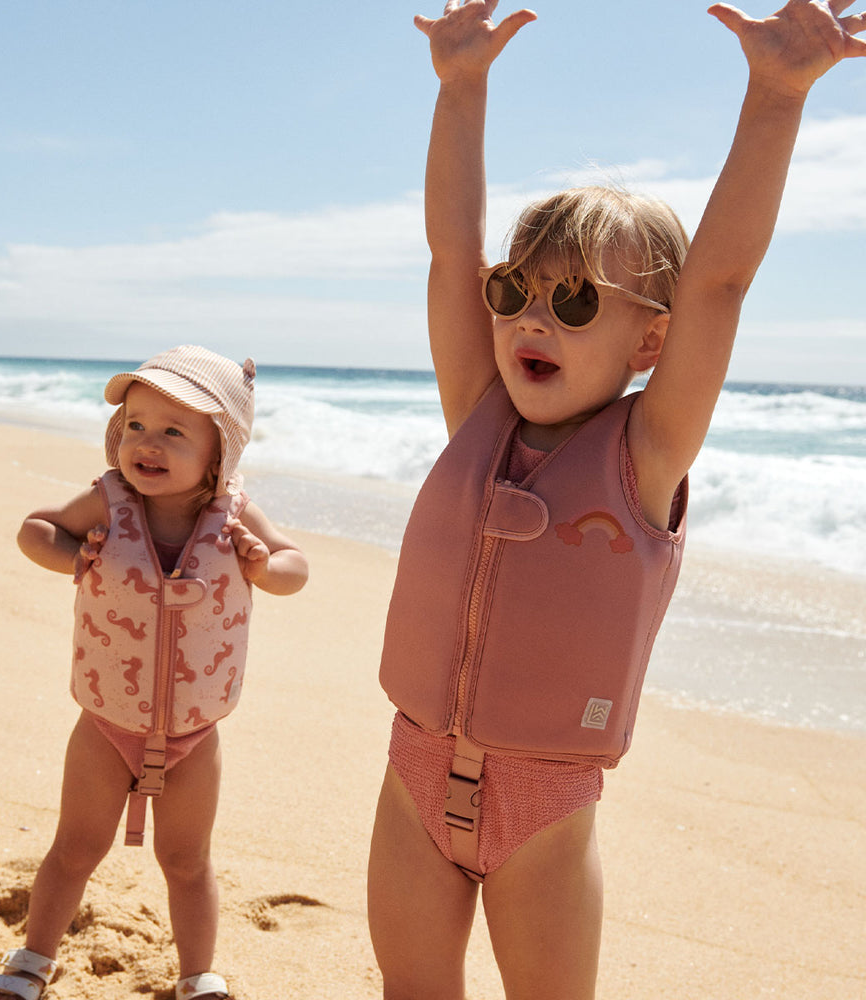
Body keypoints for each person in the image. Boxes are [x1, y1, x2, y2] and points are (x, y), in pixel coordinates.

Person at [367, 2, 865, 998]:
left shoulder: (645, 456)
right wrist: (459, 90)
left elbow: (718, 284)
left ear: (648, 342)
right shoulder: (477, 410)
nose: (529, 318)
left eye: (577, 299)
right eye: (515, 292)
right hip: (412, 779)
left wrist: (773, 99)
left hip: (542, 812)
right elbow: (448, 252)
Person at [0, 345, 309, 1000]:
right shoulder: (109, 501)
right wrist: (76, 558)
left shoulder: (237, 516)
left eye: (171, 431)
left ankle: (198, 975)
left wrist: (261, 568)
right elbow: (34, 530)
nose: (147, 443)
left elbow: (295, 567)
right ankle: (32, 959)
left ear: (219, 451)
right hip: (105, 724)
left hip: (196, 736)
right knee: (75, 848)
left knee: (187, 861)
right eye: (135, 425)